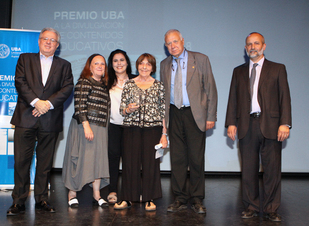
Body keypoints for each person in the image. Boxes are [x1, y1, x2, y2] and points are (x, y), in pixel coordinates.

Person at [225, 32, 291, 222]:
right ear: (245, 49)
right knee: (248, 170)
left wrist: (284, 123)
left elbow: (284, 97)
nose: (252, 47)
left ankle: (271, 208)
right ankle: (251, 206)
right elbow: (233, 99)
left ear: (264, 46)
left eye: (256, 43)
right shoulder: (238, 71)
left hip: (271, 125)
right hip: (246, 125)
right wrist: (231, 122)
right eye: (249, 44)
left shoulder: (278, 69)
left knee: (272, 170)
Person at [7, 28, 74, 216]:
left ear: (57, 46)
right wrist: (37, 103)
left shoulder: (64, 65)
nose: (48, 42)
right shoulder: (25, 59)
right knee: (21, 161)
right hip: (25, 117)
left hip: (50, 119)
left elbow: (67, 87)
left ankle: (42, 199)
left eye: (53, 40)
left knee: (45, 164)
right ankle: (18, 201)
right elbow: (20, 82)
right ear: (39, 41)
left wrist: (48, 104)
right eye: (45, 39)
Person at [160, 29, 217, 214]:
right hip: (174, 114)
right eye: (168, 43)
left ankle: (197, 198)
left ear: (183, 41)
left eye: (175, 41)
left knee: (196, 158)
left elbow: (210, 89)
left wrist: (211, 116)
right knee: (177, 158)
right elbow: (163, 95)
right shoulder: (164, 64)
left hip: (195, 115)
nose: (172, 46)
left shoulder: (200, 59)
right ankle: (180, 198)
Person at [114, 53, 167, 211]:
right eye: (141, 64)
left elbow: (163, 112)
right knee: (130, 164)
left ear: (153, 67)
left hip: (153, 129)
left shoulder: (159, 85)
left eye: (148, 64)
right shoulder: (129, 84)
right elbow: (122, 110)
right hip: (131, 128)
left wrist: (164, 134)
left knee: (151, 164)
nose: (144, 67)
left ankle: (149, 198)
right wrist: (128, 108)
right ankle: (128, 198)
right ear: (137, 66)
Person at [62, 54, 110, 208]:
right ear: (89, 67)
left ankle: (97, 195)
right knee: (78, 160)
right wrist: (86, 125)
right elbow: (80, 105)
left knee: (98, 162)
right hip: (85, 127)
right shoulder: (84, 82)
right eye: (96, 63)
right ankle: (72, 194)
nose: (100, 66)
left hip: (101, 128)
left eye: (102, 64)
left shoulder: (103, 85)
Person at [106, 49, 136, 204]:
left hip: (131, 127)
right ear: (111, 64)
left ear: (127, 62)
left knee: (130, 160)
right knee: (113, 158)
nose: (119, 63)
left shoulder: (136, 80)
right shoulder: (106, 82)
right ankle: (112, 190)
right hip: (113, 125)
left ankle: (129, 192)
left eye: (122, 60)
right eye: (115, 61)